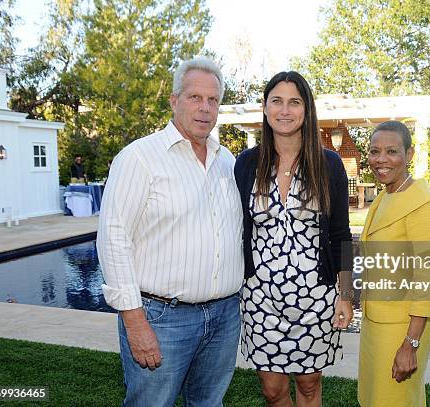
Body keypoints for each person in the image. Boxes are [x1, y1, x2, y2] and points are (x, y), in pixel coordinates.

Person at [97, 57, 243, 407]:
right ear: (174, 101)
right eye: (195, 97)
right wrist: (134, 322)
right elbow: (114, 238)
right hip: (161, 318)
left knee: (208, 403)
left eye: (212, 100)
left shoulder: (228, 161)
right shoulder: (139, 158)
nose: (205, 108)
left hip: (224, 316)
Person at [234, 71, 353, 407]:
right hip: (260, 298)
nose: (285, 110)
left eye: (294, 102)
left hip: (317, 298)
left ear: (306, 109)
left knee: (310, 386)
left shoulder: (328, 164)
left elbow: (342, 236)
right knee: (272, 391)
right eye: (277, 101)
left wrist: (345, 296)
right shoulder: (246, 164)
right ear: (266, 107)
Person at [357, 121, 430, 406]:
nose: (381, 160)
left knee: (394, 400)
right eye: (374, 151)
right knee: (376, 398)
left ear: (410, 155)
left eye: (392, 151)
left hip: (402, 328)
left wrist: (411, 343)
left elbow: (427, 280)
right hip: (376, 323)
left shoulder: (422, 205)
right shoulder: (385, 195)